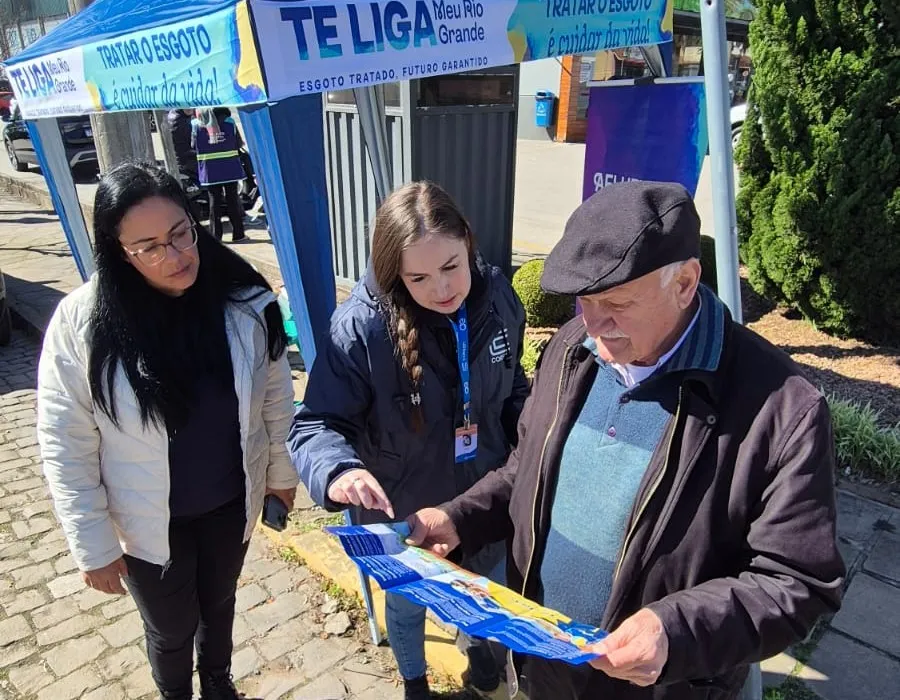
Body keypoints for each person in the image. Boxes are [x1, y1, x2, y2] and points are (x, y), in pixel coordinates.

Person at [407, 181, 846, 700]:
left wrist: (675, 632)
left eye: (616, 303)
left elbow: (797, 581)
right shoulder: (574, 350)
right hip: (543, 660)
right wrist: (461, 517)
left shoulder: (782, 409)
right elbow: (524, 470)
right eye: (584, 301)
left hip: (664, 685)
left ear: (684, 283)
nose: (594, 325)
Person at [36, 163, 299, 700]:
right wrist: (93, 544)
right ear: (118, 251)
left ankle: (220, 684)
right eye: (150, 247)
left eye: (182, 233)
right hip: (147, 523)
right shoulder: (81, 324)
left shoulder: (245, 300)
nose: (176, 256)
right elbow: (66, 441)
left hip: (230, 502)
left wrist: (280, 474)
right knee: (172, 627)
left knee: (219, 603)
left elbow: (275, 396)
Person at [289, 181, 530, 700]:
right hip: (403, 509)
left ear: (468, 242)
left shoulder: (498, 296)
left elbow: (514, 389)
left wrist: (535, 437)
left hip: (480, 498)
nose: (441, 288)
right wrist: (340, 472)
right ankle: (414, 680)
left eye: (450, 266)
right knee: (408, 602)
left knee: (486, 592)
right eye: (418, 277)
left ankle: (481, 654)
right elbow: (315, 425)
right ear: (393, 272)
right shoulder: (362, 329)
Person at [192, 108, 247, 243]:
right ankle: (238, 234)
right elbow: (238, 143)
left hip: (210, 169)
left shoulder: (196, 124)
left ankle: (216, 237)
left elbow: (193, 145)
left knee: (214, 202)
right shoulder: (230, 122)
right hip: (230, 167)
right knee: (232, 199)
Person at [167, 108, 198, 178]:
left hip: (180, 159)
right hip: (186, 160)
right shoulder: (179, 120)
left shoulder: (175, 116)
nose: (191, 108)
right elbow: (191, 142)